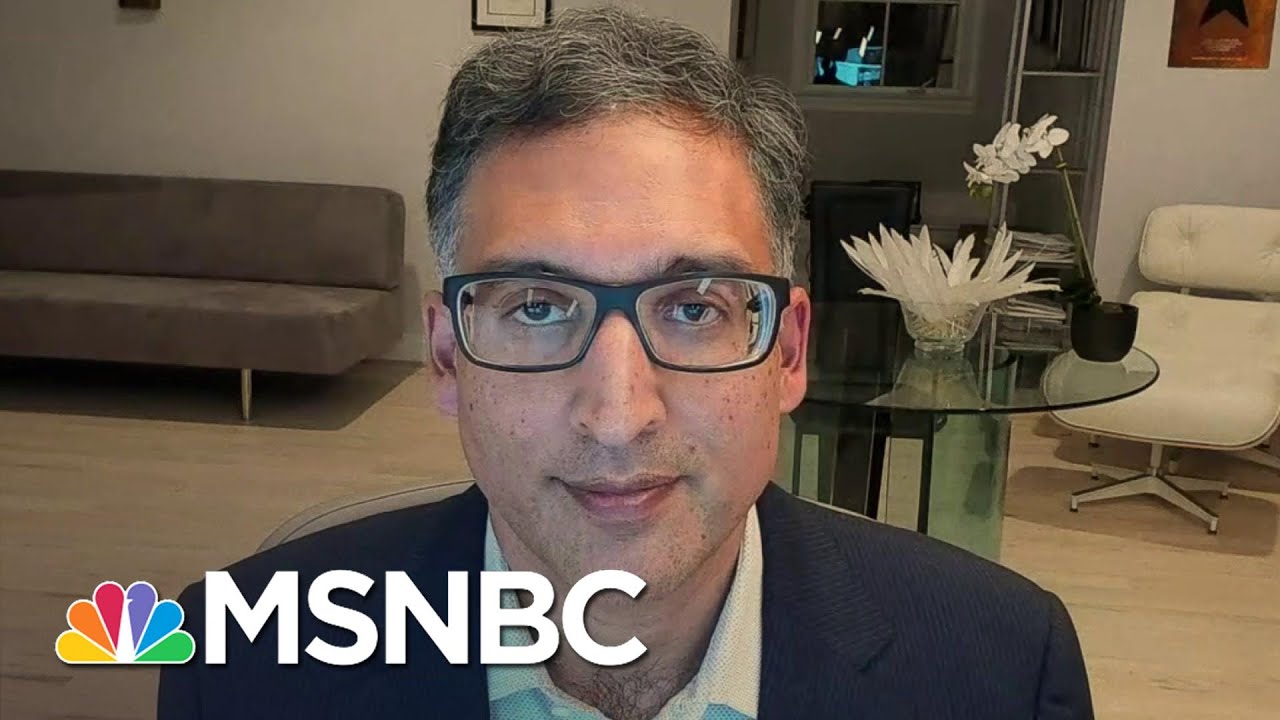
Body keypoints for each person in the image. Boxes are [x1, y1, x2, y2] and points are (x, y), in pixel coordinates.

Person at [157, 6, 1095, 719]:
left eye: (694, 308)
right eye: (536, 307)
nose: (618, 416)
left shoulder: (1003, 672)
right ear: (447, 358)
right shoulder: (240, 670)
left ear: (787, 352)